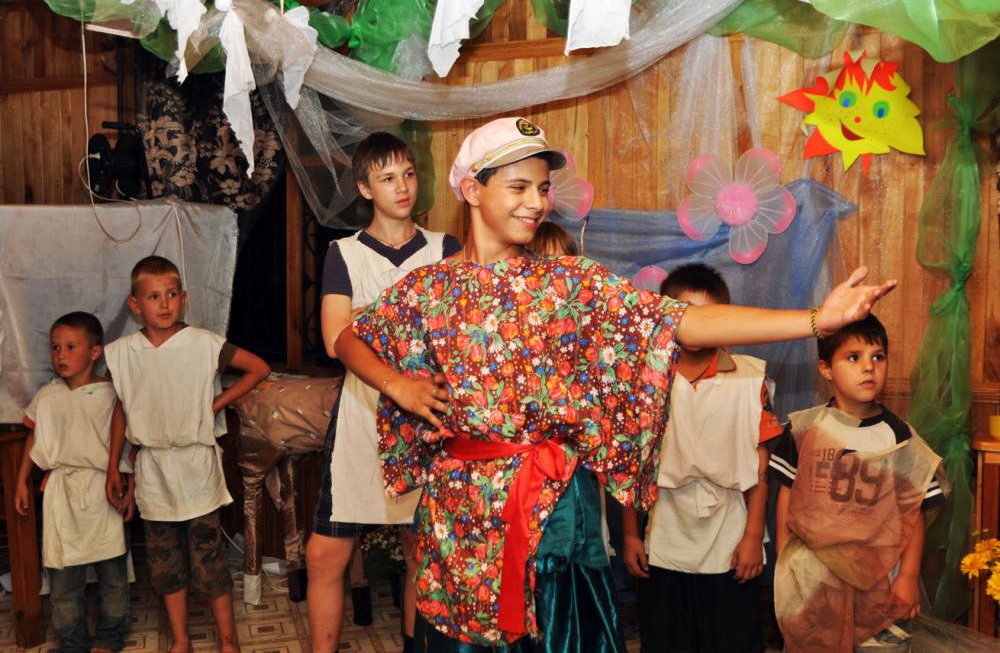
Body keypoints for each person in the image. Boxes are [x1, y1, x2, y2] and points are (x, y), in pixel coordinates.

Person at [334, 116, 896, 651]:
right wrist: (395, 384)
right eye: (518, 187)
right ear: (471, 190)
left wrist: (816, 320)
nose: (536, 202)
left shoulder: (571, 283)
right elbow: (350, 338)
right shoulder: (428, 288)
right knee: (460, 635)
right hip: (460, 514)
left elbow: (682, 322)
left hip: (554, 512)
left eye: (543, 188)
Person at [307, 131, 462, 653]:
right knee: (325, 554)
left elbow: (455, 332)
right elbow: (336, 337)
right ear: (365, 188)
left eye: (409, 175)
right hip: (362, 412)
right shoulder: (344, 253)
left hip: (428, 414)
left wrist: (371, 318)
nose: (402, 187)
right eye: (388, 178)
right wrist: (402, 333)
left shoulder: (444, 249)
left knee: (422, 549)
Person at [104, 256, 270, 653]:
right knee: (165, 563)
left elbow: (259, 368)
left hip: (196, 469)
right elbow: (122, 408)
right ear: (135, 305)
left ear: (184, 298)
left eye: (171, 294)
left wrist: (214, 405)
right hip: (153, 471)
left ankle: (228, 640)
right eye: (153, 296)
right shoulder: (122, 353)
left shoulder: (204, 344)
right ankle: (181, 640)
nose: (163, 304)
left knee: (208, 559)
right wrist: (114, 466)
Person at [620, 264, 782, 652]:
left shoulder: (748, 379)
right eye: (685, 314)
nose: (697, 326)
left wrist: (752, 537)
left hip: (729, 531)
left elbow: (760, 470)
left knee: (731, 639)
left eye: (708, 317)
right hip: (666, 532)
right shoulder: (643, 379)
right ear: (664, 315)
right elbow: (629, 466)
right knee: (666, 639)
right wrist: (630, 534)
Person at [769, 314, 945, 652]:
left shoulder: (899, 436)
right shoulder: (806, 430)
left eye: (878, 357)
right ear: (826, 369)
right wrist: (785, 564)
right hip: (814, 581)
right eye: (854, 357)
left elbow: (913, 513)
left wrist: (908, 576)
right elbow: (787, 500)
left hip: (879, 584)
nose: (869, 367)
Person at [14, 312, 134, 653]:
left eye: (70, 347)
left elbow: (128, 446)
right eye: (55, 348)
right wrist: (22, 481)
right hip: (61, 494)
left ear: (95, 352)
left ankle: (109, 636)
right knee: (63, 578)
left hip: (103, 491)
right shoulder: (47, 396)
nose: (60, 355)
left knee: (113, 573)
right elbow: (34, 437)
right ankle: (72, 641)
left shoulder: (111, 395)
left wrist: (130, 489)